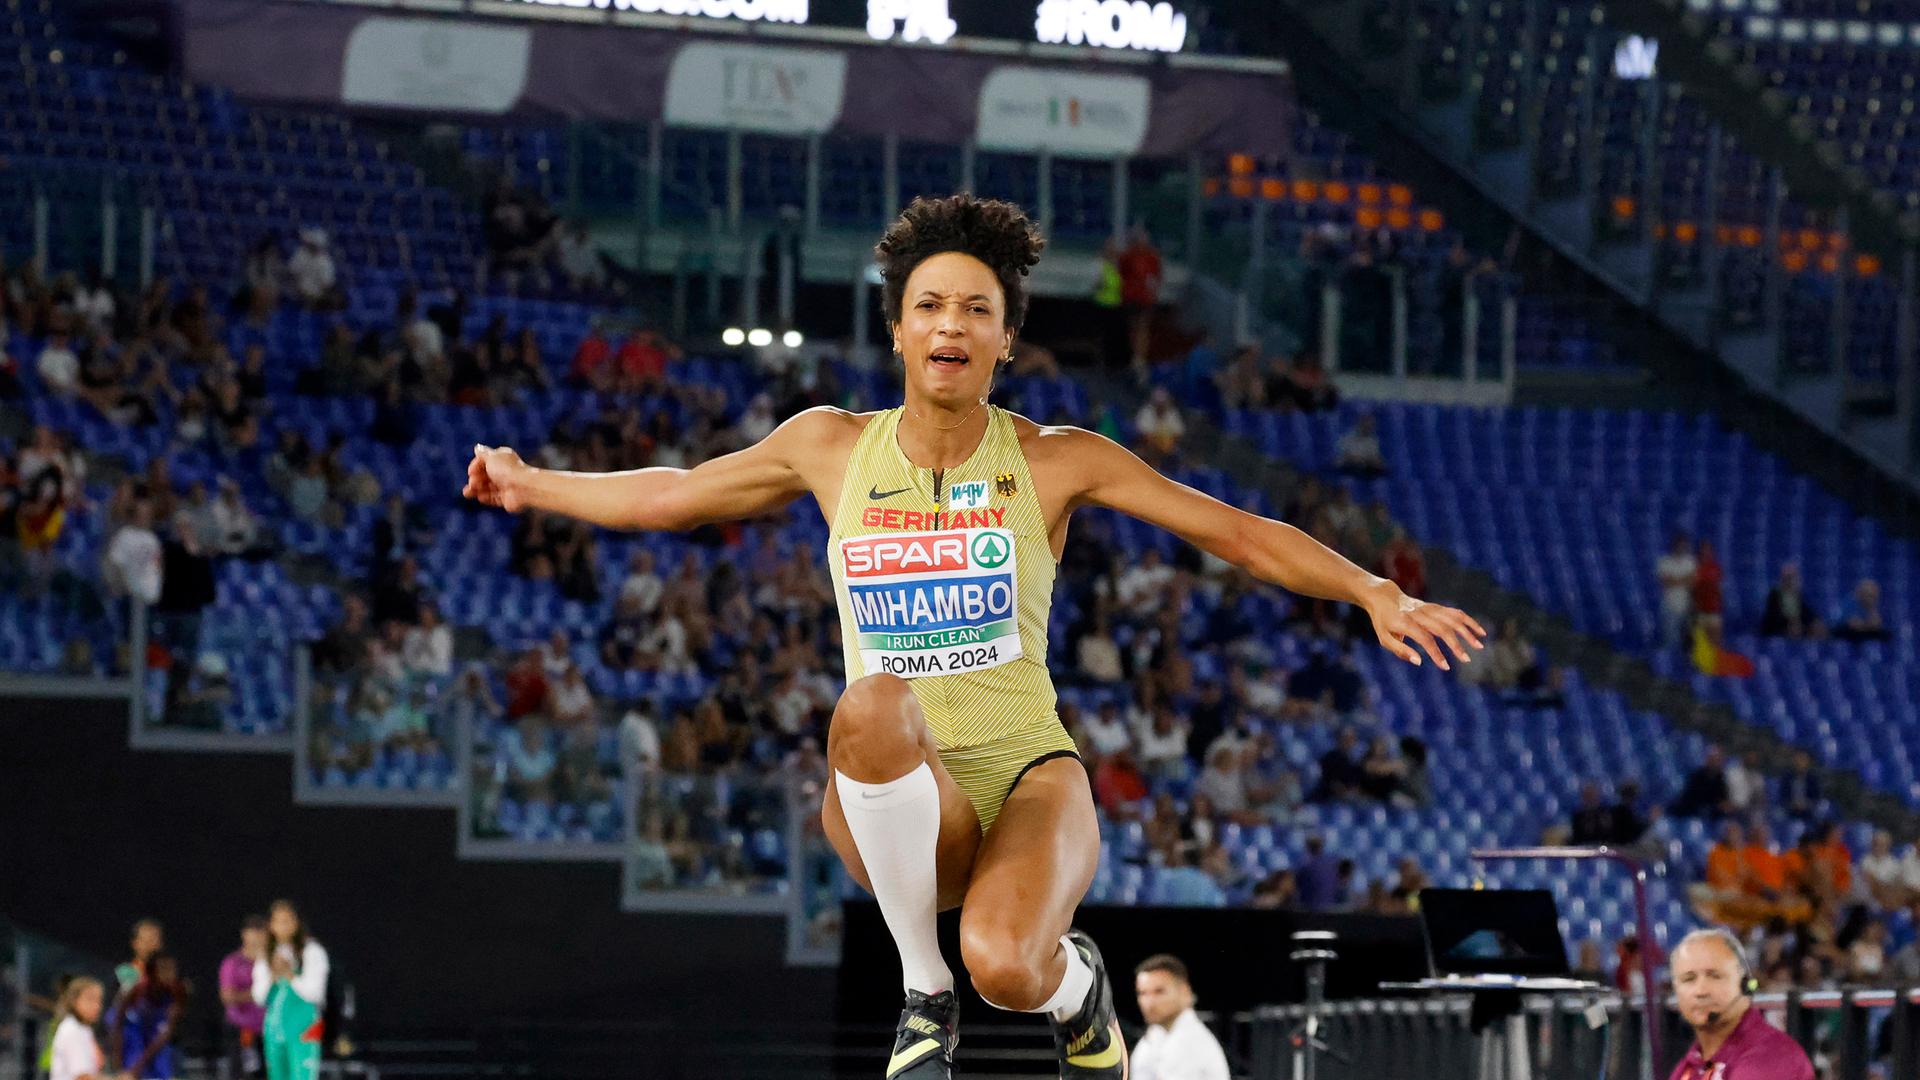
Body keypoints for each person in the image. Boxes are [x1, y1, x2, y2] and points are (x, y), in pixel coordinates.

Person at [465, 193, 1484, 1080]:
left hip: (1026, 772)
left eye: (976, 309)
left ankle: (1077, 990)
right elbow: (676, 494)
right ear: (897, 331)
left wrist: (1370, 591)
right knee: (873, 702)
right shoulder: (830, 447)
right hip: (899, 788)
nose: (950, 323)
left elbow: (1234, 532)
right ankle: (923, 990)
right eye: (929, 306)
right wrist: (530, 482)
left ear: (1005, 340)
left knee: (1005, 966)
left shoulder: (1056, 460)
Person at [1666, 928, 1813, 1080]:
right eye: (1688, 979)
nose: (1701, 991)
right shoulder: (1690, 1065)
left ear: (1744, 984)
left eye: (1715, 976)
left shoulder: (1770, 1056)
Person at [252, 900, 329, 1080]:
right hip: (274, 1030)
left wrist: (289, 974)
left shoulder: (312, 951)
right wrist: (273, 976)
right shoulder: (267, 955)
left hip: (304, 1029)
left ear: (296, 923)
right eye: (278, 921)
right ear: (271, 925)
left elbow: (315, 993)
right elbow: (259, 998)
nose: (283, 927)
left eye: (287, 921)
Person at [1130, 954, 1231, 1080]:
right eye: (1142, 993)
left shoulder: (1191, 1042)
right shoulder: (1155, 1037)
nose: (1149, 1003)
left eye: (1159, 991)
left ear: (1185, 992)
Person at [110, 952, 185, 1079]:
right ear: (152, 971)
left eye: (172, 969)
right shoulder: (137, 989)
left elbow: (166, 1032)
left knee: (160, 1070)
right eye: (163, 968)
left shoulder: (177, 992)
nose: (169, 973)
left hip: (155, 1036)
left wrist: (137, 1068)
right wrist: (118, 1061)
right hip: (131, 1031)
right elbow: (118, 1021)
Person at [220, 916, 268, 1079]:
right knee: (242, 1075)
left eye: (261, 934)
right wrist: (258, 993)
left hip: (268, 1031)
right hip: (242, 1030)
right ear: (244, 935)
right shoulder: (233, 962)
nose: (256, 940)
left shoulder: (273, 962)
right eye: (252, 934)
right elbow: (228, 996)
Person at [49, 977, 122, 1080]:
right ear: (74, 1001)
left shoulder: (84, 1028)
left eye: (99, 1000)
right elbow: (83, 1077)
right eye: (90, 999)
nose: (97, 1006)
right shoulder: (72, 1030)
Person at [114, 920, 164, 993]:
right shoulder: (125, 972)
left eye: (155, 940)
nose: (151, 945)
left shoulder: (169, 972)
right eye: (145, 940)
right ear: (134, 943)